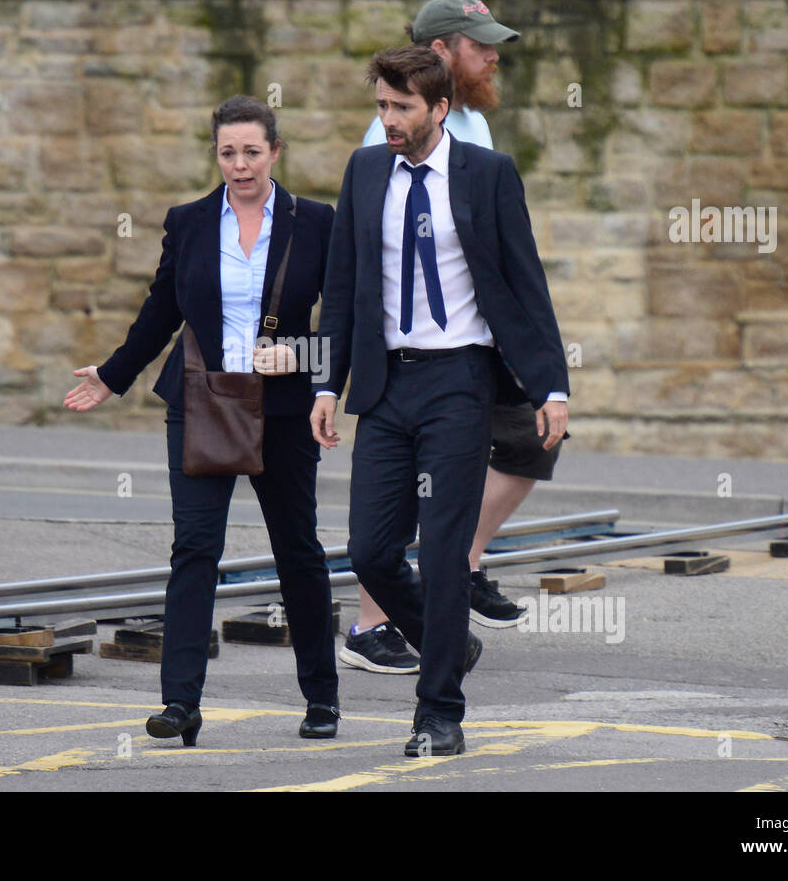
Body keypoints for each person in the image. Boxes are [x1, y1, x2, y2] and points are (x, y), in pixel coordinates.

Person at [311, 46, 569, 756]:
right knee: (369, 550)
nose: (387, 120)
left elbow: (526, 285)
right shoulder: (365, 172)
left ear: (439, 109)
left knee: (446, 551)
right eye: (381, 106)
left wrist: (552, 386)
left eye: (401, 108)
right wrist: (328, 383)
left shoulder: (487, 175)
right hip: (386, 386)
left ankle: (438, 712)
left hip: (460, 382)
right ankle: (447, 642)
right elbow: (341, 288)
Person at [65, 96, 340, 745]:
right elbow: (161, 308)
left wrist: (301, 357)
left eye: (251, 151)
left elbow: (348, 324)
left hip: (283, 410)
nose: (239, 165)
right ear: (215, 155)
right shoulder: (188, 222)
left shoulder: (317, 224)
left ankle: (322, 700)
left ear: (275, 153)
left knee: (297, 552)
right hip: (202, 403)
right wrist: (112, 374)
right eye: (227, 152)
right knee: (194, 550)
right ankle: (179, 704)